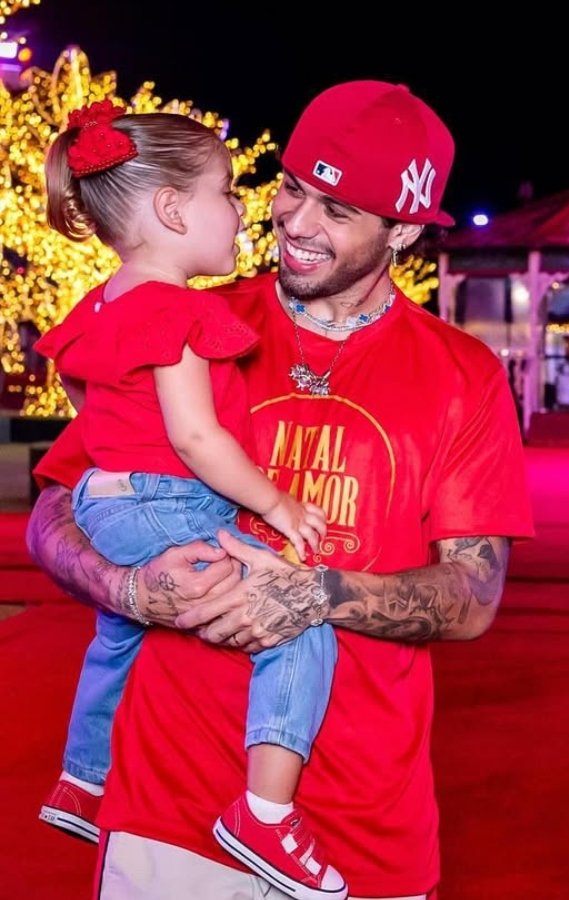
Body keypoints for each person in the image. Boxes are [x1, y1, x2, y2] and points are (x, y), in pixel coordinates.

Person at [26, 81, 535, 900]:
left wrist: (316, 595)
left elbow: (473, 594)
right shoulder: (183, 317)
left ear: (402, 228)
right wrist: (128, 587)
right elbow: (58, 508)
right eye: (292, 189)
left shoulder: (462, 376)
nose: (294, 223)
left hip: (363, 824)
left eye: (336, 210)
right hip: (169, 805)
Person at [33, 99, 343, 900]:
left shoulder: (103, 303)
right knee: (298, 620)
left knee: (116, 632)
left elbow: (71, 374)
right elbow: (199, 440)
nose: (241, 210)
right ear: (172, 209)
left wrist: (112, 439)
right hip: (169, 496)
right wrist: (278, 507)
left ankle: (82, 778)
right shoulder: (181, 310)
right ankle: (266, 814)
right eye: (227, 192)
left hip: (106, 495)